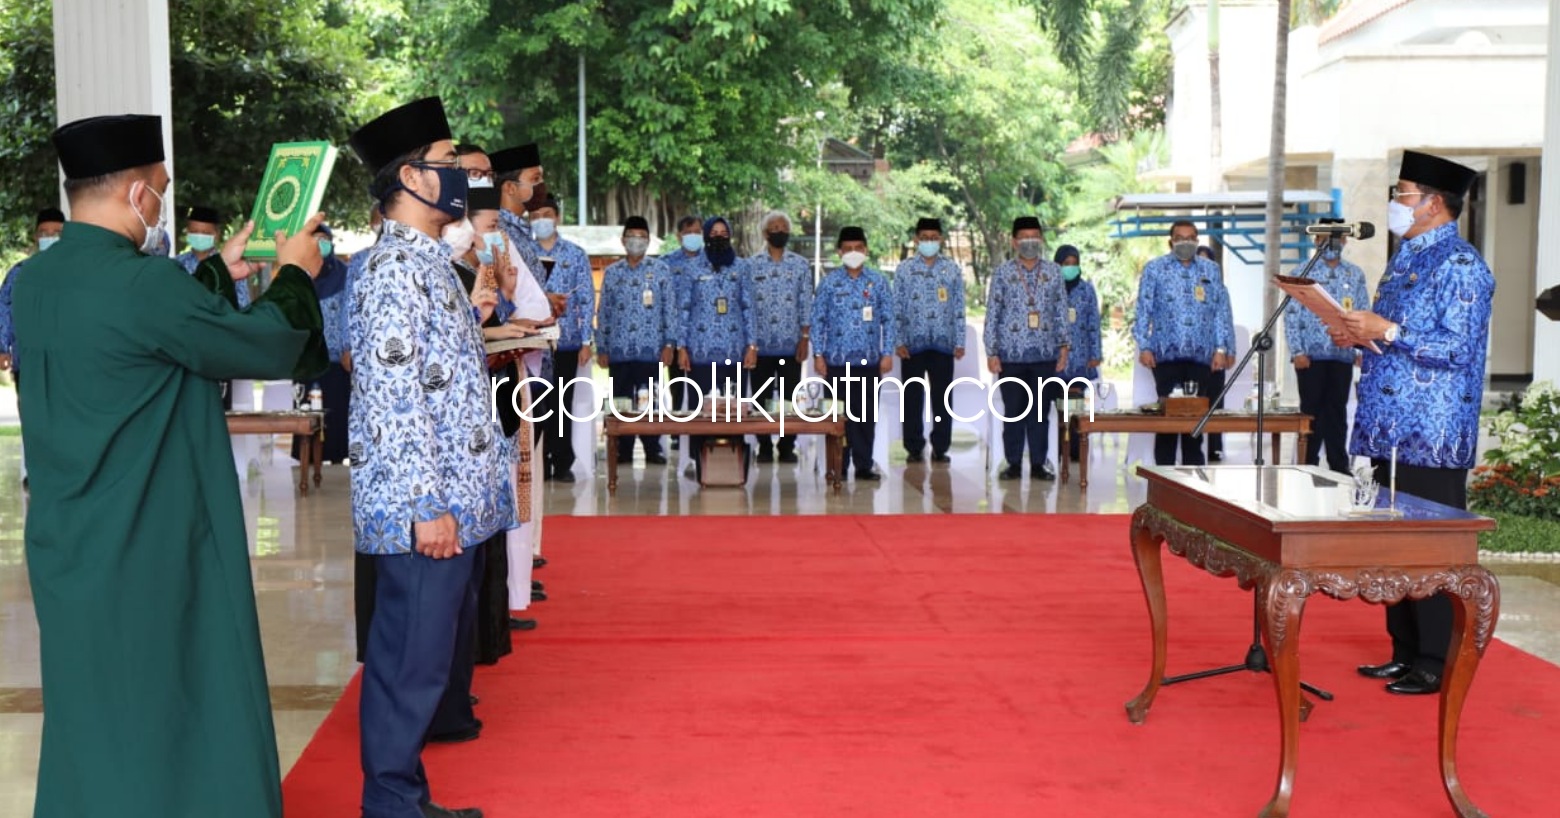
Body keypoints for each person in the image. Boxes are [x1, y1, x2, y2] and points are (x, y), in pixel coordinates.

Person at [15, 112, 328, 817]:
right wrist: (290, 275)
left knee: (91, 707)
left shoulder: (33, 283)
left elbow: (155, 337)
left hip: (69, 536)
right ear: (135, 195)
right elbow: (259, 345)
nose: (162, 206)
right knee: (179, 696)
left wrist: (217, 270)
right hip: (150, 536)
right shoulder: (144, 286)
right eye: (159, 188)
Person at [347, 96, 514, 818]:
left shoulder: (430, 265)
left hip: (451, 502)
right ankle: (389, 804)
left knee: (420, 661)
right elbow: (394, 400)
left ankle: (405, 799)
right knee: (408, 666)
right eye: (449, 165)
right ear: (411, 178)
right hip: (425, 511)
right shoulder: (392, 271)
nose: (461, 178)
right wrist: (427, 507)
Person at [1337, 151, 1493, 697]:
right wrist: (1361, 335)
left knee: (1430, 550)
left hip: (1432, 431)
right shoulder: (1405, 259)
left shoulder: (1462, 265)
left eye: (1402, 194)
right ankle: (1404, 651)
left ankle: (1435, 659)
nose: (1395, 203)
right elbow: (1393, 335)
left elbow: (1457, 348)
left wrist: (1390, 331)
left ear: (1432, 203)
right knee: (1393, 545)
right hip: (1388, 426)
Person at [1133, 220, 1234, 466]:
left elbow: (1221, 311)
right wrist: (1144, 346)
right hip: (1165, 356)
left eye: (1191, 238)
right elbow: (1142, 310)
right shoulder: (1155, 269)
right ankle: (1164, 480)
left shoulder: (1210, 270)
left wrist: (1222, 348)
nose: (1186, 242)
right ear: (1171, 242)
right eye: (1180, 238)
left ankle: (1194, 483)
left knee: (1195, 422)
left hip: (1201, 357)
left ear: (1197, 241)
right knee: (1167, 420)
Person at [984, 216, 1070, 481]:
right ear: (1014, 241)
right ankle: (1011, 463)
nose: (1029, 241)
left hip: (1045, 354)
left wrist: (1064, 346)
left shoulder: (1054, 272)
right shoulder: (1003, 273)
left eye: (1034, 236)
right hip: (1011, 355)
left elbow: (1060, 311)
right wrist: (992, 351)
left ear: (1041, 240)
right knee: (1014, 412)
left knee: (1039, 412)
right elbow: (993, 312)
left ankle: (1038, 463)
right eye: (1024, 237)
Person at [810, 226, 895, 481]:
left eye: (858, 248)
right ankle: (838, 465)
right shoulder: (828, 283)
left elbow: (889, 320)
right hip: (836, 363)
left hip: (869, 362)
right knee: (837, 418)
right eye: (847, 249)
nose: (853, 253)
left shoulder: (878, 282)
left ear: (866, 250)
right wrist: (818, 354)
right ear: (839, 252)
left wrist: (887, 351)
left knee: (865, 417)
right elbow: (818, 321)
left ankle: (864, 465)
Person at [1283, 220, 1366, 473]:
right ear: (1315, 241)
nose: (1331, 243)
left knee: (1337, 413)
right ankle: (1307, 467)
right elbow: (1291, 315)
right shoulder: (1302, 272)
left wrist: (1360, 349)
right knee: (1311, 413)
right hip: (1310, 356)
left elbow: (1363, 311)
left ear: (1345, 241)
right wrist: (1297, 351)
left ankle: (1339, 467)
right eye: (1324, 238)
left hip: (1342, 355)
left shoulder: (1355, 274)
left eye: (1336, 238)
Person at [678, 216, 756, 481]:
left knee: (732, 409)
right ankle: (699, 463)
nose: (719, 236)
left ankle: (733, 464)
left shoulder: (742, 268)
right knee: (702, 411)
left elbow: (749, 308)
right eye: (715, 232)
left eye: (724, 232)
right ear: (706, 236)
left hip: (734, 352)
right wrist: (681, 346)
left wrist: (752, 345)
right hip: (700, 352)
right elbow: (684, 309)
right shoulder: (692, 268)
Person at [597, 216, 677, 466]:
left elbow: (670, 309)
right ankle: (623, 449)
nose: (636, 241)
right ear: (623, 240)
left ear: (648, 241)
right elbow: (604, 311)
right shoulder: (612, 273)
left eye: (642, 237)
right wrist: (602, 346)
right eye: (632, 236)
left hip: (650, 349)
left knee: (649, 400)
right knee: (621, 401)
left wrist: (669, 343)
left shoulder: (661, 270)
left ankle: (653, 448)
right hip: (619, 350)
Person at [528, 196, 595, 482]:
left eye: (547, 213)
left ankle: (563, 460)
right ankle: (538, 460)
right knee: (536, 403)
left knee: (561, 403)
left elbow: (587, 298)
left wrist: (585, 341)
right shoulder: (523, 251)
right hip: (531, 341)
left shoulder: (575, 254)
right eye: (536, 215)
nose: (541, 219)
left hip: (566, 342)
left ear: (557, 217)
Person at [894, 217, 965, 464]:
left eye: (934, 237)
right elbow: (897, 308)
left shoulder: (952, 269)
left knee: (942, 398)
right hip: (912, 345)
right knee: (912, 397)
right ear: (916, 239)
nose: (929, 242)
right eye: (924, 237)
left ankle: (941, 447)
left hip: (944, 344)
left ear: (941, 239)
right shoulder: (904, 269)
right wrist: (899, 340)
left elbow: (958, 307)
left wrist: (960, 340)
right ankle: (914, 447)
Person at [743, 210, 812, 464]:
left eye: (783, 227)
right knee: (759, 399)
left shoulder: (800, 265)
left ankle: (786, 446)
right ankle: (762, 445)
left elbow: (805, 302)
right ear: (765, 233)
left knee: (788, 398)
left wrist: (805, 337)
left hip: (790, 345)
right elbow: (746, 306)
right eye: (774, 227)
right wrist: (749, 343)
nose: (779, 231)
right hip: (759, 347)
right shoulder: (750, 266)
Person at [291, 223, 350, 464]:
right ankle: (306, 461)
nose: (320, 243)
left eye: (324, 238)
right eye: (314, 239)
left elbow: (349, 314)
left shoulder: (344, 274)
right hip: (307, 361)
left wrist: (348, 347)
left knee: (336, 415)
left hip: (336, 361)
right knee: (306, 415)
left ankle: (336, 460)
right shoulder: (297, 275)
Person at [0, 207, 65, 376]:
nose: (50, 238)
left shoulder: (76, 272)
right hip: (27, 363)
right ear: (36, 237)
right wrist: (2, 348)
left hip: (67, 362)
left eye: (57, 233)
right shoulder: (20, 272)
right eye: (44, 233)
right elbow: (4, 308)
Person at [1053, 244, 1102, 463]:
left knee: (1075, 405)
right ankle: (1056, 450)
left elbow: (1094, 323)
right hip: (1056, 358)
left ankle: (1074, 451)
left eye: (1074, 264)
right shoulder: (1050, 288)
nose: (1070, 268)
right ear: (1058, 265)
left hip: (1081, 357)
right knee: (1058, 407)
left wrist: (1095, 353)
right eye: (1066, 264)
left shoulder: (1086, 290)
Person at [662, 215, 705, 418]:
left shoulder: (711, 261)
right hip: (674, 335)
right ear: (679, 236)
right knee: (678, 384)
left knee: (702, 386)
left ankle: (701, 432)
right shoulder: (665, 264)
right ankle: (678, 431)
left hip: (703, 335)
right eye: (688, 233)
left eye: (697, 232)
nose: (693, 236)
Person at [176, 204, 251, 308]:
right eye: (194, 232)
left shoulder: (229, 264)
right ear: (187, 232)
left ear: (216, 234)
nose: (199, 236)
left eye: (205, 233)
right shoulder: (177, 264)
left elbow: (243, 305)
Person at [1195, 245, 1227, 461]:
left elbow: (1224, 321)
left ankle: (1214, 446)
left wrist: (1224, 349)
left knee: (1215, 403)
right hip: (1194, 357)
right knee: (1195, 403)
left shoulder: (1219, 289)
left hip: (1214, 355)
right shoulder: (1184, 289)